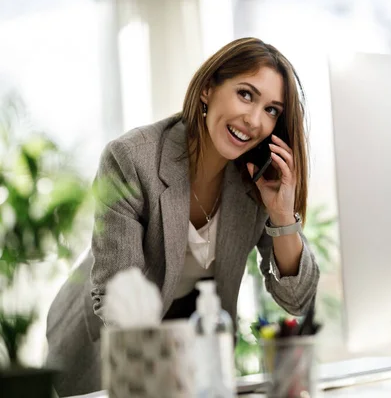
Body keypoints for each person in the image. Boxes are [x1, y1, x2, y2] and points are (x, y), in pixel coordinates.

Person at [46, 37, 320, 397]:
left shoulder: (255, 182)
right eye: (246, 94)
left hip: (187, 361)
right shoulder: (131, 159)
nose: (254, 120)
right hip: (102, 349)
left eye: (272, 110)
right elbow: (117, 297)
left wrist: (282, 213)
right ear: (208, 89)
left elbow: (297, 299)